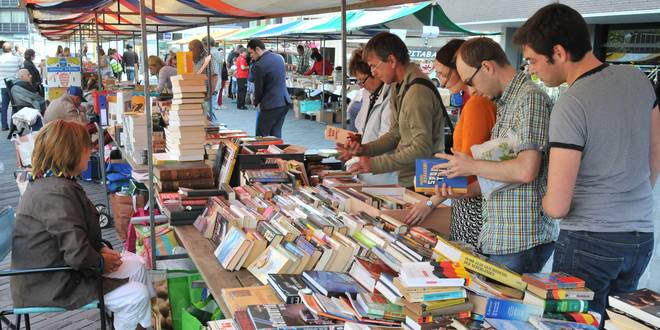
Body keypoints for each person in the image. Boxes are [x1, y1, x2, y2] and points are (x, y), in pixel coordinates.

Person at [513, 3, 658, 316]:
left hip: (589, 241)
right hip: (640, 238)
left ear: (559, 52)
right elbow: (655, 157)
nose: (532, 70)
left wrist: (540, 201)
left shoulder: (572, 103)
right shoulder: (638, 81)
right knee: (620, 323)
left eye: (533, 61)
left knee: (573, 323)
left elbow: (558, 206)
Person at [11, 119, 153, 330]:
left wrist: (100, 250)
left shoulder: (55, 184)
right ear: (71, 152)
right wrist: (101, 261)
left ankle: (147, 324)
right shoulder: (55, 193)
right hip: (50, 282)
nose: (90, 151)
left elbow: (73, 237)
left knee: (137, 266)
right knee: (136, 295)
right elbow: (76, 252)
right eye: (86, 147)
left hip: (61, 269)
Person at [437, 37, 556, 274]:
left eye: (471, 81)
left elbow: (525, 170)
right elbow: (505, 169)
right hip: (504, 236)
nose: (472, 90)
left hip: (520, 237)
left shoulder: (528, 99)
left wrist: (472, 166)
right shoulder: (507, 103)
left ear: (488, 67)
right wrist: (468, 183)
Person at [405, 40, 497, 249]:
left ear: (461, 69)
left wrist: (430, 202)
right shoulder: (476, 102)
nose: (443, 81)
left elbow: (466, 168)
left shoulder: (477, 104)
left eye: (445, 73)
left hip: (472, 203)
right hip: (471, 198)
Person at [337, 32, 445, 188]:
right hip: (409, 178)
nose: (373, 72)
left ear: (392, 60)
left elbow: (422, 148)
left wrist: (374, 164)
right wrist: (364, 149)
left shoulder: (416, 91)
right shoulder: (398, 85)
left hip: (422, 182)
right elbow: (394, 134)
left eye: (374, 66)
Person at [346, 47, 397, 185]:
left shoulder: (392, 96)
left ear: (375, 72)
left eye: (363, 80)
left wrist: (363, 151)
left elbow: (387, 138)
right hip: (367, 170)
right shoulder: (369, 93)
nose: (362, 85)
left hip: (386, 174)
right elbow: (363, 128)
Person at [247, 38, 291, 138]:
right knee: (276, 135)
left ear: (258, 49)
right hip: (284, 102)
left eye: (251, 53)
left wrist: (255, 102)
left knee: (261, 137)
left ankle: (263, 153)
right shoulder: (278, 58)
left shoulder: (259, 65)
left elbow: (259, 88)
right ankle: (277, 152)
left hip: (270, 104)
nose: (251, 56)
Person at [0, 41, 22, 131]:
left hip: (3, 85)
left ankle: (4, 126)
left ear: (2, 49)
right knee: (14, 105)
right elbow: (21, 70)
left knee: (4, 106)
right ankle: (14, 125)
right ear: (11, 49)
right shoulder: (17, 59)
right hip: (14, 85)